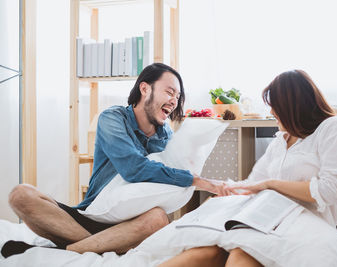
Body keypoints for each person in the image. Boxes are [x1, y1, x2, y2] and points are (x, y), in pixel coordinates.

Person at [1, 63, 229, 258]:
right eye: (169, 92)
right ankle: (97, 245)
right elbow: (133, 168)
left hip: (129, 224)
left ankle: (66, 250)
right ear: (145, 88)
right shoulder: (113, 118)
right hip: (90, 216)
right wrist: (195, 180)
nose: (174, 100)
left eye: (178, 97)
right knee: (21, 195)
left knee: (158, 218)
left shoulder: (166, 135)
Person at [159, 69, 337, 267]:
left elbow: (330, 191)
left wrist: (271, 184)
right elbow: (253, 185)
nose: (271, 112)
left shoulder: (333, 128)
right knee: (207, 250)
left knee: (239, 255)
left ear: (293, 106)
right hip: (266, 219)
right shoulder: (281, 140)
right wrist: (223, 190)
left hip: (303, 224)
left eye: (275, 106)